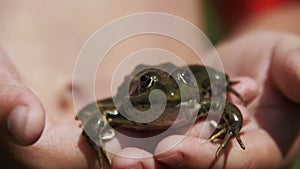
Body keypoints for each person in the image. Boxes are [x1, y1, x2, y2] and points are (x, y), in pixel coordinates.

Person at [0, 1, 299, 169]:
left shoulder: (196, 104)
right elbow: (92, 112)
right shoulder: (124, 110)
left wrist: (231, 123)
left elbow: (279, 8)